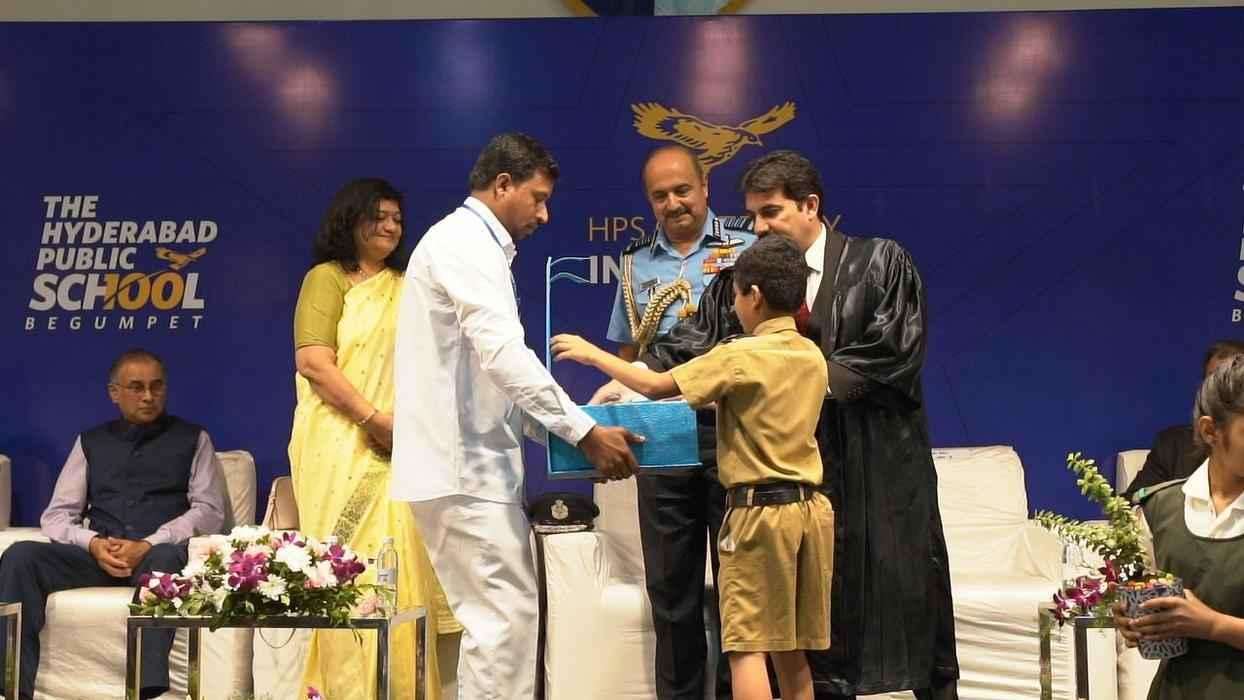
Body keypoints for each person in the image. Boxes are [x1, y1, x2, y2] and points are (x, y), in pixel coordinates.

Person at [595, 149, 960, 699]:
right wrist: (633, 378)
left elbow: (893, 353)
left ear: (810, 206)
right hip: (799, 482)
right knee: (802, 638)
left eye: (770, 213)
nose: (759, 228)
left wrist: (791, 382)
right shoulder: (744, 282)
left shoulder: (880, 263)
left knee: (897, 603)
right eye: (753, 216)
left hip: (873, 470)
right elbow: (691, 345)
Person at [391, 132, 642, 700]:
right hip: (462, 470)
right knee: (502, 624)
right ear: (503, 185)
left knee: (502, 623)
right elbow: (505, 359)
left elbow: (492, 381)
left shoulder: (470, 245)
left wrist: (578, 427)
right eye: (538, 197)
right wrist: (583, 431)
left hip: (467, 469)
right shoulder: (463, 244)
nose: (545, 214)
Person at [553, 234, 834, 700]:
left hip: (758, 516)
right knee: (791, 648)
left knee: (746, 650)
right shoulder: (811, 355)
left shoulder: (738, 355)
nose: (732, 307)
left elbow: (656, 386)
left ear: (753, 296)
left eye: (734, 296)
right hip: (810, 514)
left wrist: (592, 354)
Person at [289, 178, 459, 699]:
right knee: (346, 576)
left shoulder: (407, 285)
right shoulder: (327, 279)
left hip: (400, 441)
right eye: (378, 216)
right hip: (338, 443)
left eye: (397, 219)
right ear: (351, 220)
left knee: (395, 567)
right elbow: (314, 363)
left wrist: (403, 424)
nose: (390, 227)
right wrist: (372, 419)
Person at [603, 144, 754, 700]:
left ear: (705, 187)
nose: (673, 203)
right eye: (660, 196)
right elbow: (628, 355)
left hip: (733, 433)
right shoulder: (635, 263)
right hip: (663, 435)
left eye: (682, 190)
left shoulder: (747, 247)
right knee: (671, 591)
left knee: (739, 589)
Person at [0, 349, 226, 700]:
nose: (148, 396)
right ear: (114, 393)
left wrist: (149, 543)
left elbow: (209, 510)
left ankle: (145, 690)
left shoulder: (194, 439)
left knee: (166, 559)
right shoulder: (90, 442)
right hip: (99, 554)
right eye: (136, 387)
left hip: (156, 554)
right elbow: (57, 515)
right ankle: (10, 686)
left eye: (156, 386)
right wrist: (92, 543)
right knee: (21, 556)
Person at [1114, 355, 1244, 699]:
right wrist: (1132, 619)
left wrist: (1215, 626)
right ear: (1210, 430)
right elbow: (1141, 592)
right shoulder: (1160, 507)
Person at [1121, 340, 1244, 501]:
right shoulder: (1172, 445)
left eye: (1236, 383)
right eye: (1214, 381)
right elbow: (1132, 501)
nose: (1223, 391)